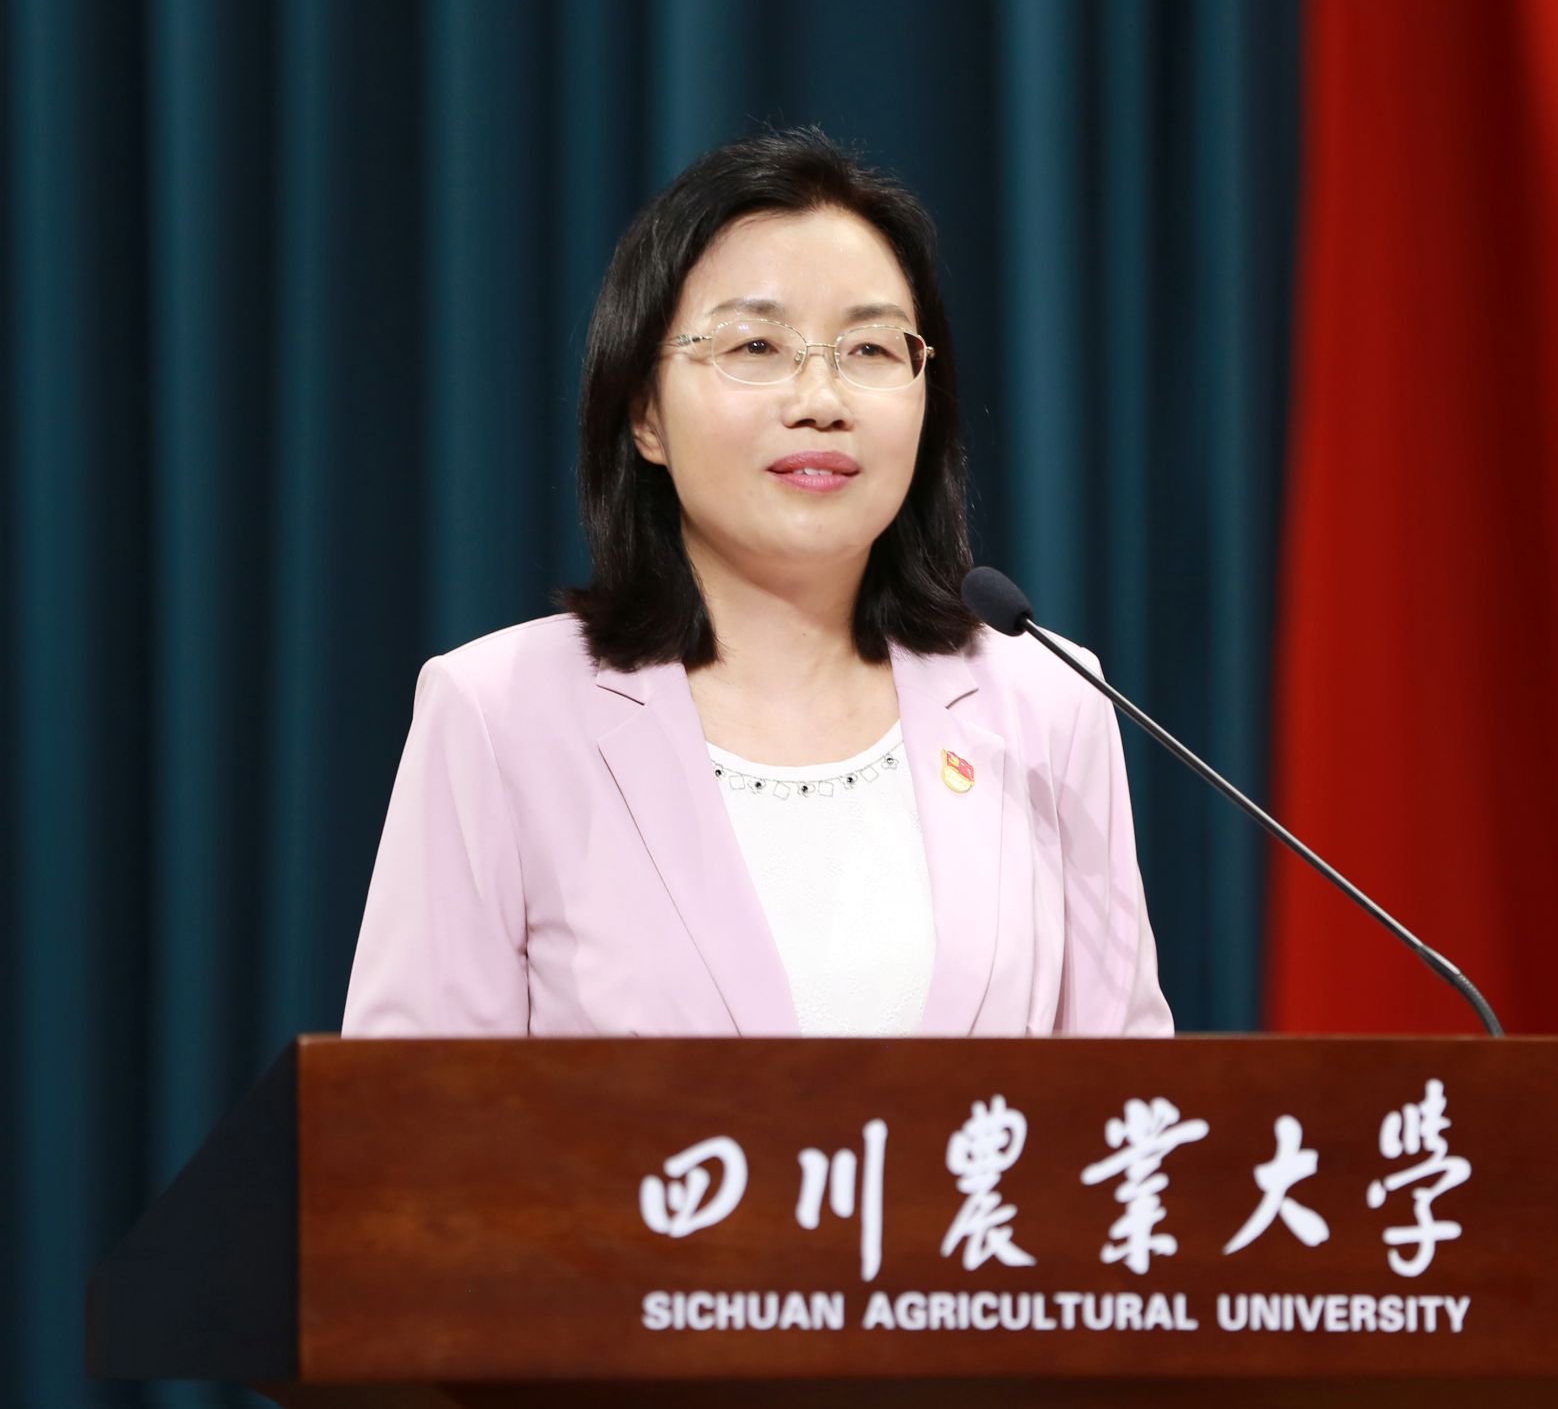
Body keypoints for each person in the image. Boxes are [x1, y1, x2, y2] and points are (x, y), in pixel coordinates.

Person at [340, 126, 1173, 1038]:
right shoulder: (499, 714)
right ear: (645, 413)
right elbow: (406, 1115)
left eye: (870, 350)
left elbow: (1130, 1103)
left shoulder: (1049, 703)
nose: (821, 400)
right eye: (756, 346)